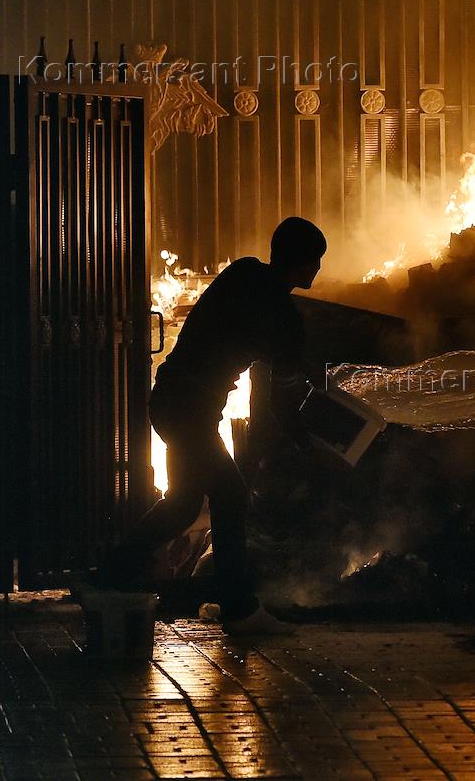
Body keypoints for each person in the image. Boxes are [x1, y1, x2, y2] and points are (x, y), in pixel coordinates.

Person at [115, 217, 324, 634]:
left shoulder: (242, 272)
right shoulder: (283, 318)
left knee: (183, 503)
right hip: (190, 412)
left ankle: (108, 575)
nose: (318, 269)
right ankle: (238, 609)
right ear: (302, 264)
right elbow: (282, 399)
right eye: (315, 261)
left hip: (171, 402)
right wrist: (309, 442)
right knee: (231, 494)